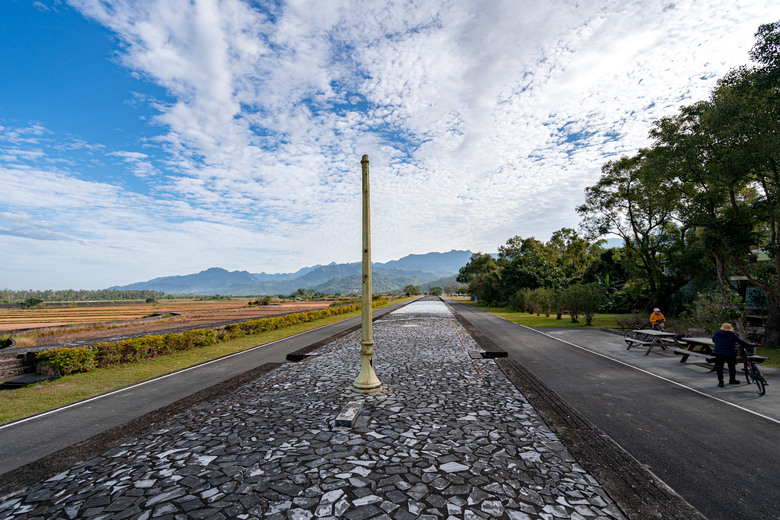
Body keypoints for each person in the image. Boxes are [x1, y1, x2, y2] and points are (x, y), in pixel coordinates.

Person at [711, 323, 753, 388]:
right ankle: (732, 380)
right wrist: (751, 344)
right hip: (730, 352)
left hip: (718, 352)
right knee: (731, 366)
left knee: (719, 367)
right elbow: (742, 343)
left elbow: (714, 341)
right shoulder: (733, 335)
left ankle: (721, 382)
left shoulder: (716, 334)